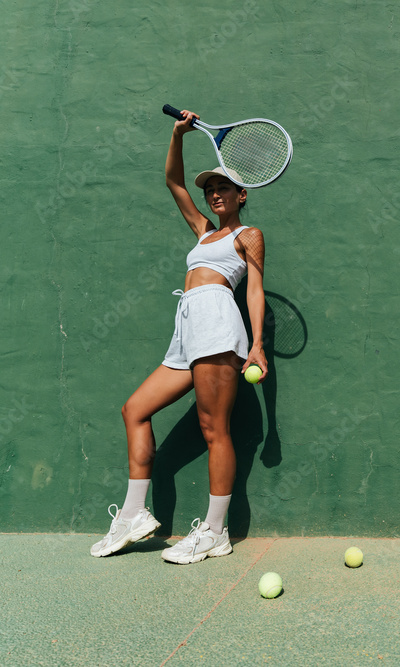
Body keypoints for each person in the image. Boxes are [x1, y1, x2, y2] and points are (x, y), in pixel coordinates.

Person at [90, 108, 268, 563]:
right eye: (209, 190)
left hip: (217, 324)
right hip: (186, 329)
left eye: (222, 187)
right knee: (135, 409)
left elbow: (254, 292)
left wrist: (257, 347)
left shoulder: (248, 235)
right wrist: (178, 135)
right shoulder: (202, 231)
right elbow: (173, 182)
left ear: (242, 194)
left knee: (214, 429)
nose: (213, 195)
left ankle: (214, 531)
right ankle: (134, 516)